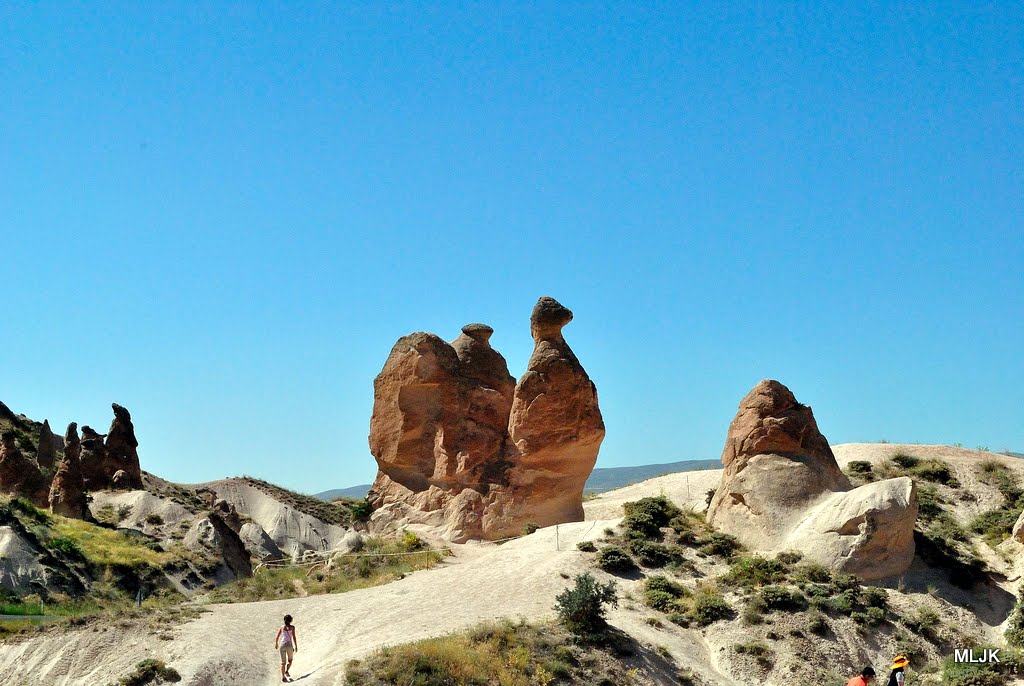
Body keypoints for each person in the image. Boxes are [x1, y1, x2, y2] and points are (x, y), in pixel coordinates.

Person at [274, 614, 298, 683]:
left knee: (283, 663)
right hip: (289, 645)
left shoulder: (282, 627)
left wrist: (276, 643)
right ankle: (287, 671)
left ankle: (283, 677)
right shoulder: (292, 627)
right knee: (290, 660)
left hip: (282, 645)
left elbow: (277, 636)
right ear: (290, 620)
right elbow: (294, 637)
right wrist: (296, 646)